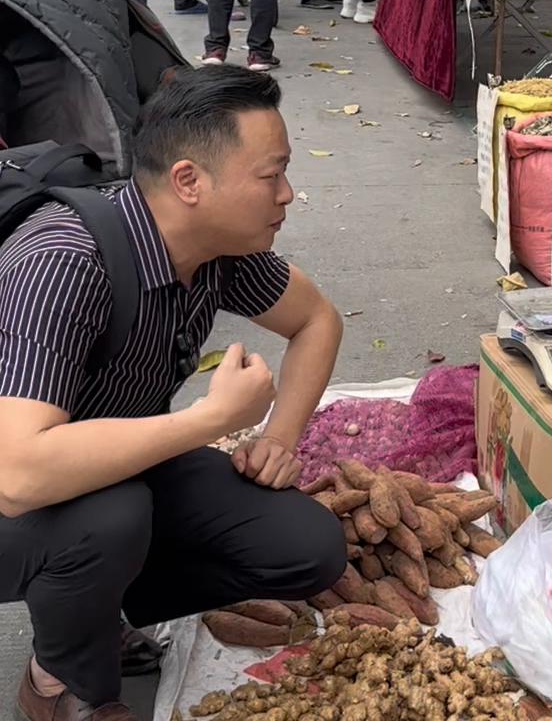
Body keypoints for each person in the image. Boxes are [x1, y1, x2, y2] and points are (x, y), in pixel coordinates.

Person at [0, 64, 346, 721]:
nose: (288, 194)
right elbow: (17, 474)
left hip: (104, 469)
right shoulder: (65, 262)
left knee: (306, 545)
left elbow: (316, 320)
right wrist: (210, 420)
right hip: (16, 487)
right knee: (112, 517)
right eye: (270, 175)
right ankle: (56, 684)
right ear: (189, 181)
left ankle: (98, 611)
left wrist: (277, 437)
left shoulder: (218, 250)